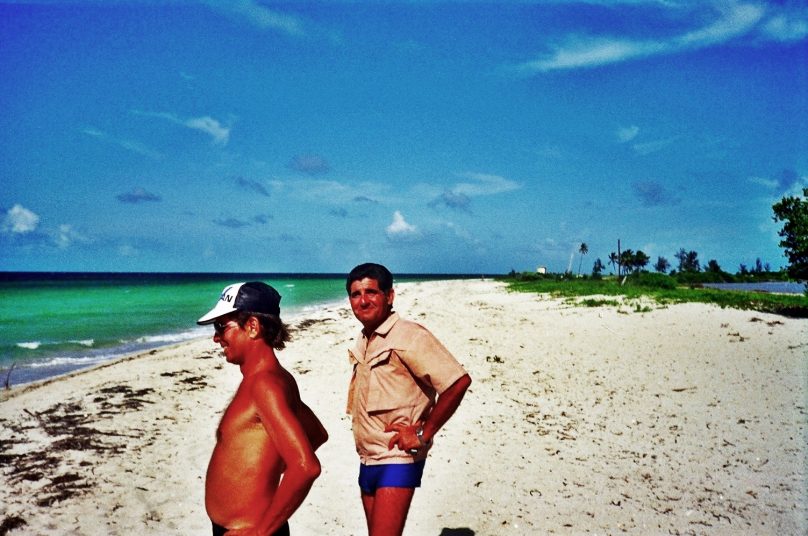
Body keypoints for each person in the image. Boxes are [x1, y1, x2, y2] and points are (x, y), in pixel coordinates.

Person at [345, 263, 472, 536]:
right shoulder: (365, 339)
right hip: (367, 457)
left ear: (389, 296)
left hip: (397, 458)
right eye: (356, 294)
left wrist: (424, 433)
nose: (363, 301)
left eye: (371, 292)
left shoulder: (409, 335)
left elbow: (457, 382)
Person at [198, 281, 328, 536]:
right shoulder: (274, 378)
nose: (216, 338)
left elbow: (306, 467)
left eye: (221, 326)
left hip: (252, 530)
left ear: (253, 327)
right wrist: (265, 471)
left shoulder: (264, 385)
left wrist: (261, 531)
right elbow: (316, 433)